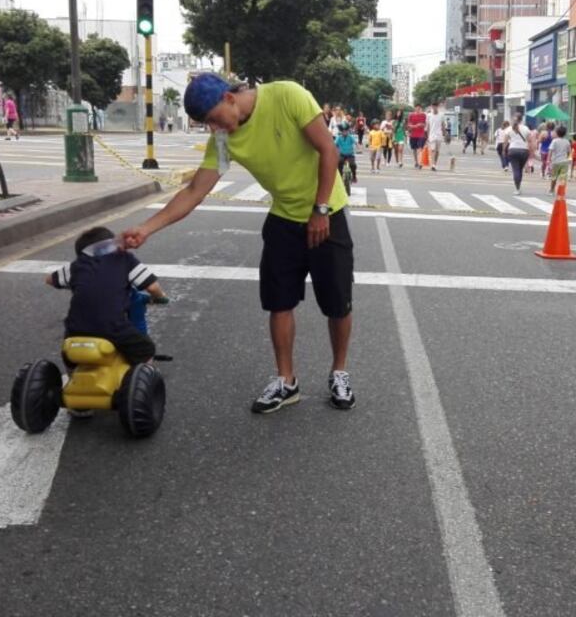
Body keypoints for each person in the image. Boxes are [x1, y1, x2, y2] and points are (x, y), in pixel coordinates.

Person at [122, 73, 355, 413]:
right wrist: (146, 228)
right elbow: (194, 191)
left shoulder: (287, 95)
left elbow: (327, 151)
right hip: (284, 217)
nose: (215, 129)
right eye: (207, 125)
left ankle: (339, 372)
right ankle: (286, 381)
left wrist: (320, 210)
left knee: (337, 302)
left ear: (230, 99)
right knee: (279, 301)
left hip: (327, 211)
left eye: (214, 119)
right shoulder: (221, 138)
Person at [46, 226, 167, 366]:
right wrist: (160, 297)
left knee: (70, 356)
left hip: (75, 329)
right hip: (112, 327)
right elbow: (152, 287)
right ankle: (144, 374)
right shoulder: (125, 259)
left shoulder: (77, 266)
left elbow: (49, 280)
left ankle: (71, 374)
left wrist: (76, 284)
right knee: (145, 349)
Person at [504, 119, 531, 195]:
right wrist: (530, 150)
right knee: (520, 169)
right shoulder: (526, 128)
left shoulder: (509, 128)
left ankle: (517, 188)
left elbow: (505, 141)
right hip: (524, 151)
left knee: (516, 169)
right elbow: (529, 141)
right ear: (521, 119)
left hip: (513, 150)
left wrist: (503, 150)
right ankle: (518, 186)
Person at [547, 125, 572, 194]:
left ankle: (552, 190)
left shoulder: (554, 141)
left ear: (557, 133)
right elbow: (569, 152)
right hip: (564, 162)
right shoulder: (567, 141)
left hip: (555, 162)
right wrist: (569, 159)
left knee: (554, 177)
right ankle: (561, 191)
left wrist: (548, 159)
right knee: (563, 177)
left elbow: (550, 151)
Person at [335, 120, 358, 184]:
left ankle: (354, 176)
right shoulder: (338, 137)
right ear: (341, 131)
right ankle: (340, 177)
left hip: (350, 155)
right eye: (343, 131)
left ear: (348, 130)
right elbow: (334, 144)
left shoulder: (350, 137)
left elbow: (356, 143)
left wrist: (359, 148)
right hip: (342, 154)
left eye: (346, 130)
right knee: (339, 163)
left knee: (353, 165)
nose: (345, 132)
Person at [407, 104, 427, 169]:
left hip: (421, 134)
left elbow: (424, 124)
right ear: (415, 108)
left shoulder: (423, 115)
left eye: (419, 108)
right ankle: (416, 162)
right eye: (416, 108)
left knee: (420, 148)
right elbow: (409, 125)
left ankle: (420, 162)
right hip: (413, 134)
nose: (418, 109)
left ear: (420, 108)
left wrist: (421, 125)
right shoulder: (411, 115)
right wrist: (415, 126)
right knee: (414, 149)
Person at [426, 103, 445, 170]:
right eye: (433, 106)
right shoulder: (429, 115)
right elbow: (428, 126)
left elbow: (443, 125)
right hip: (431, 135)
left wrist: (444, 134)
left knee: (437, 151)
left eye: (435, 106)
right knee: (433, 150)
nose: (434, 108)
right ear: (431, 107)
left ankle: (434, 163)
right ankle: (433, 165)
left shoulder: (441, 115)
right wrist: (427, 136)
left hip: (439, 135)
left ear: (437, 107)